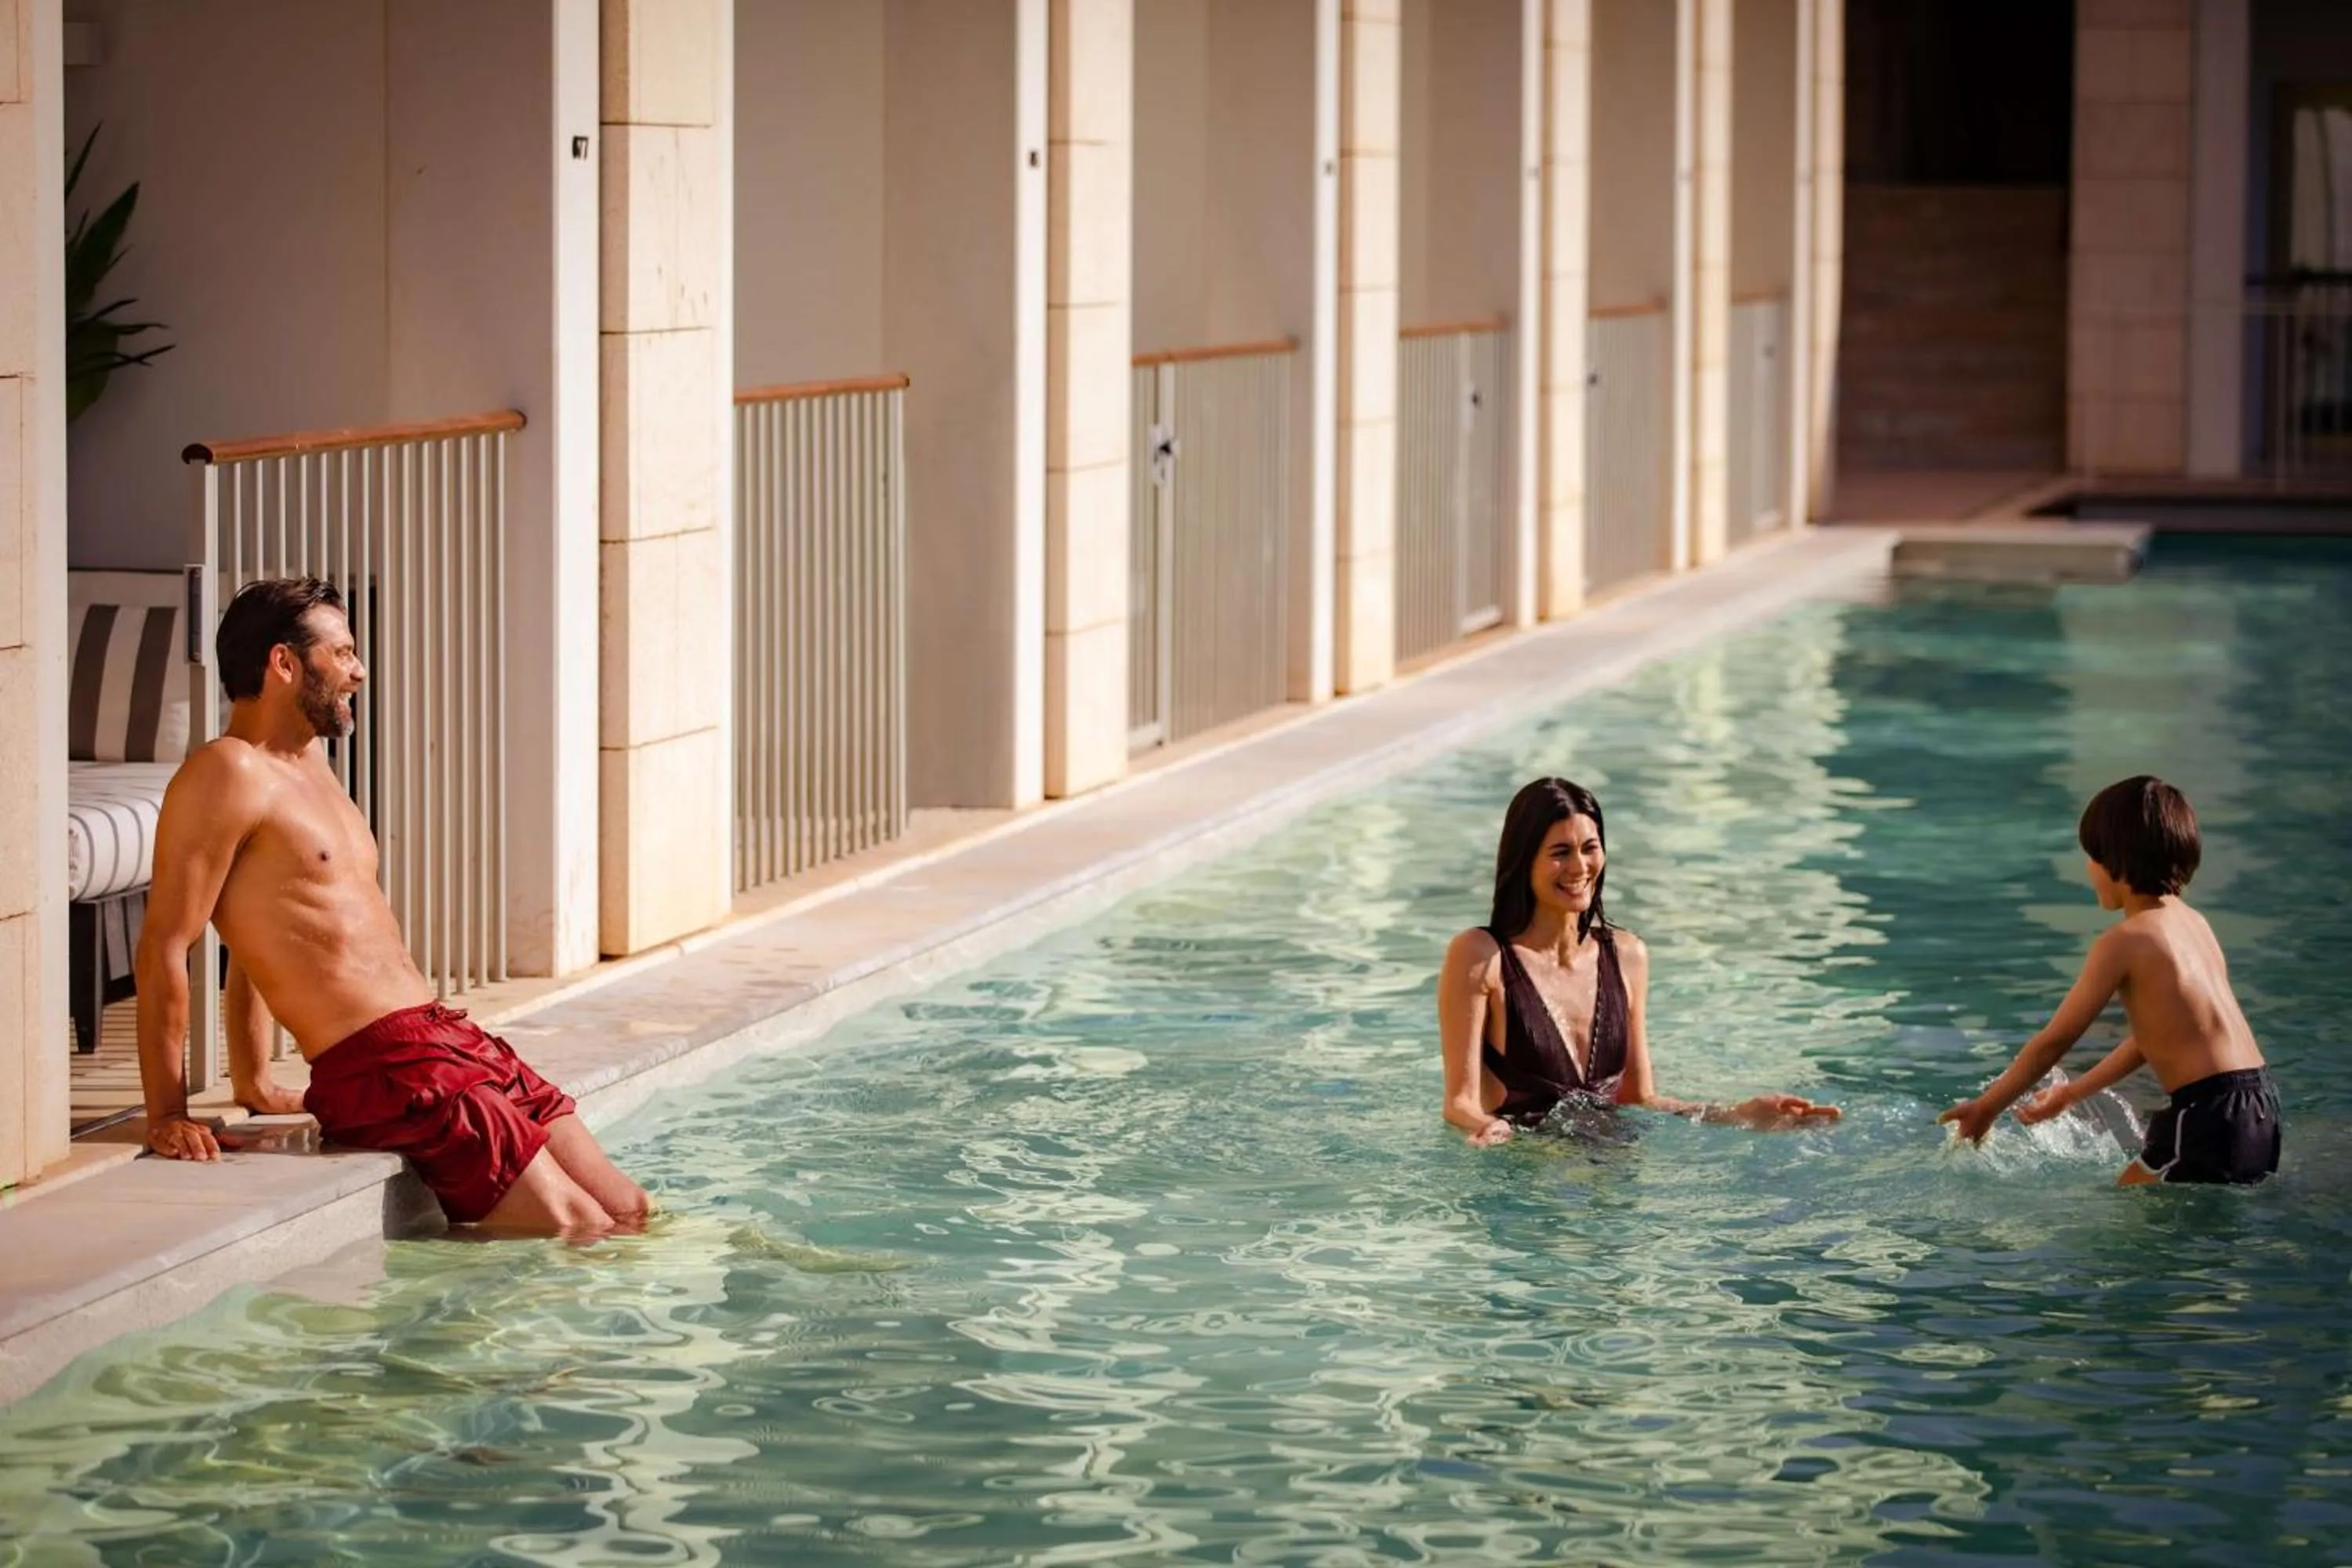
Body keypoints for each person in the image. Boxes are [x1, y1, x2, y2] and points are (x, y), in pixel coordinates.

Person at [135, 577, 651, 1235]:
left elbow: (265, 938)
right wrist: (167, 1112)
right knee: (577, 1229)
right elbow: (166, 944)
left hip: (445, 1038)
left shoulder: (312, 763)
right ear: (284, 663)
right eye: (343, 652)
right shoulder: (225, 773)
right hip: (384, 1068)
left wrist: (256, 1082)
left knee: (628, 1210)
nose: (359, 670)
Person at [1437, 777, 1842, 1145]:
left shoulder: (1627, 955)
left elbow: (1640, 1098)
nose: (1579, 867)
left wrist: (1738, 1115)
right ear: (1523, 861)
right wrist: (1487, 1128)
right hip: (1527, 1180)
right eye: (1560, 852)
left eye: (1590, 848)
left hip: (1615, 1179)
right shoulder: (1480, 955)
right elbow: (1460, 1102)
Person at [1939, 775, 2278, 1185]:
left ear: (2114, 861)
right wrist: (2070, 1093)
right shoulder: (2195, 924)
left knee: (2126, 1220)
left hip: (2206, 1113)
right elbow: (2152, 1039)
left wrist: (1987, 1106)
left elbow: (2054, 1042)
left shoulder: (2124, 941)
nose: (2089, 869)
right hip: (2260, 1104)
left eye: (2091, 857)